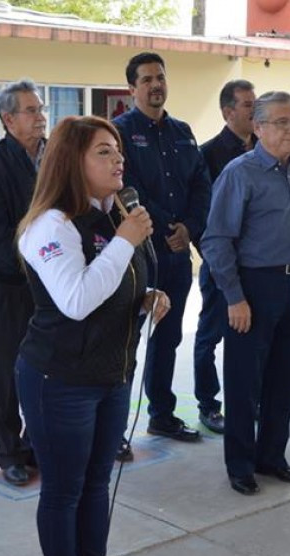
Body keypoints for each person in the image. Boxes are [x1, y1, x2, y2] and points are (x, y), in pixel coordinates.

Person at [15, 116, 168, 556]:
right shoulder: (51, 226)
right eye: (104, 152)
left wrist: (146, 296)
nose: (118, 160)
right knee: (65, 490)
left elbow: (117, 282)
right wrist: (125, 241)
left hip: (110, 373)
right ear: (72, 162)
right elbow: (77, 300)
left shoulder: (113, 212)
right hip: (60, 377)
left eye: (118, 150)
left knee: (97, 484)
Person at [202, 91, 290, 496]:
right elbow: (217, 241)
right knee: (243, 382)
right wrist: (234, 297)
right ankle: (240, 464)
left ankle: (272, 456)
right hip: (253, 287)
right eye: (282, 122)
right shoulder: (241, 173)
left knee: (283, 379)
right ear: (258, 127)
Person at [114, 52, 211, 446]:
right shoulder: (119, 132)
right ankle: (114, 430)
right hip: (138, 258)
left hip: (175, 254)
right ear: (132, 88)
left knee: (168, 338)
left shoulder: (183, 132)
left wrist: (188, 227)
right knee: (125, 342)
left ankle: (162, 415)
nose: (156, 85)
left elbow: (202, 185)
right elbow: (125, 187)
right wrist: (160, 228)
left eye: (160, 77)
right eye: (147, 79)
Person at [0, 79, 47, 486]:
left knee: (42, 368)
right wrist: (37, 259)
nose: (40, 117)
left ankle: (36, 444)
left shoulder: (54, 155)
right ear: (7, 119)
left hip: (50, 285)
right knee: (5, 371)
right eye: (30, 111)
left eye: (41, 109)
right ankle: (9, 451)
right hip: (9, 286)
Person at [194, 79, 257, 434]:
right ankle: (208, 403)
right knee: (210, 336)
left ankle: (247, 401)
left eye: (255, 103)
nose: (255, 110)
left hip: (258, 266)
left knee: (249, 338)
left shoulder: (267, 151)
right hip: (222, 265)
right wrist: (216, 262)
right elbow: (205, 216)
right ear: (228, 111)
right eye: (248, 105)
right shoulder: (210, 154)